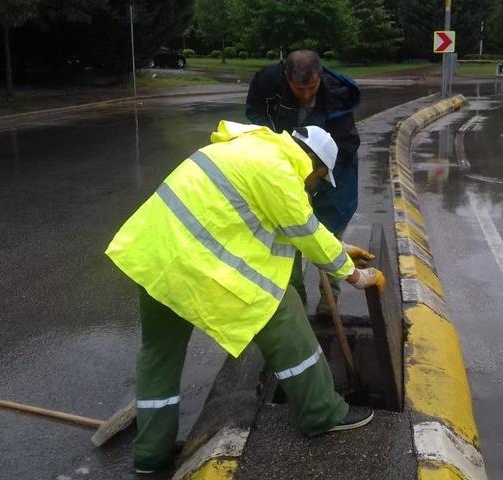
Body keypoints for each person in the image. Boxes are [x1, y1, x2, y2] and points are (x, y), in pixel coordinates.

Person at [105, 120, 385, 474]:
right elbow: (305, 230)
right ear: (314, 163)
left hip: (154, 257)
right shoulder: (280, 172)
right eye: (318, 179)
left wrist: (342, 249)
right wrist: (356, 275)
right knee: (284, 314)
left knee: (159, 358)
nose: (314, 187)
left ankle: (151, 455)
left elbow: (284, 226)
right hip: (193, 265)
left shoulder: (247, 149)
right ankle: (322, 413)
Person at [245, 49, 361, 313]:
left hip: (333, 172)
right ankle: (295, 301)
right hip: (284, 167)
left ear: (320, 76)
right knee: (288, 235)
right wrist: (276, 143)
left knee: (329, 234)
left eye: (311, 87)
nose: (306, 95)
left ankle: (329, 299)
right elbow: (255, 114)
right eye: (299, 89)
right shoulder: (268, 83)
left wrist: (313, 180)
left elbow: (346, 145)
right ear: (287, 79)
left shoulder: (337, 95)